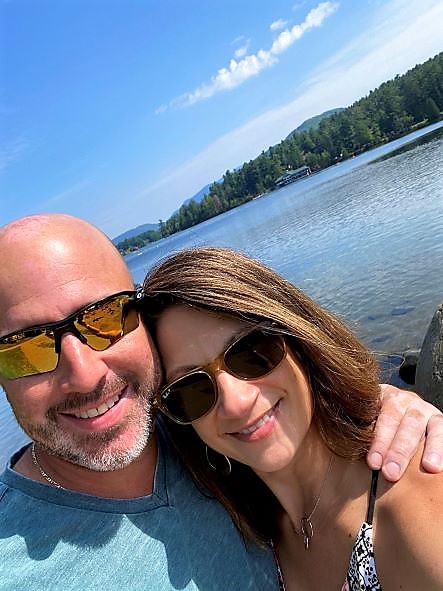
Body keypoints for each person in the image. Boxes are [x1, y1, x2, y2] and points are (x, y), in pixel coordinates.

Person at [0, 216, 441, 591]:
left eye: (104, 318)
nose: (86, 373)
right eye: (26, 347)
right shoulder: (208, 447)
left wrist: (382, 401)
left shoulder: (173, 430)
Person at [142, 246, 443, 591]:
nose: (237, 402)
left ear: (298, 338)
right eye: (192, 388)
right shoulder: (256, 528)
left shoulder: (414, 506)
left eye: (250, 351)